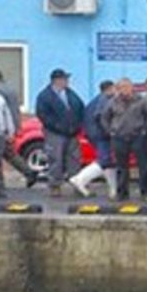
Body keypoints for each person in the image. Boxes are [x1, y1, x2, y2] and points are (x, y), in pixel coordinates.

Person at [35, 69, 85, 198]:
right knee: (55, 159)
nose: (67, 81)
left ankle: (77, 183)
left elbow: (80, 108)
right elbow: (43, 115)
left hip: (72, 132)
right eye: (64, 79)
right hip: (55, 133)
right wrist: (58, 127)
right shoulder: (45, 96)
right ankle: (55, 185)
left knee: (74, 159)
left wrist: (78, 125)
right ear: (56, 80)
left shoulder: (70, 93)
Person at [100, 79, 147, 201]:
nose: (125, 89)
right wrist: (110, 131)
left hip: (138, 136)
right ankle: (122, 193)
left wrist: (144, 130)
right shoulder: (112, 102)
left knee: (143, 165)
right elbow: (104, 118)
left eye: (127, 86)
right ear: (118, 89)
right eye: (122, 87)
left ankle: (145, 192)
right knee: (121, 167)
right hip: (119, 138)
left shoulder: (142, 101)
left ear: (132, 87)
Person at [0, 69, 38, 188]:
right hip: (11, 126)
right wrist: (16, 126)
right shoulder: (10, 89)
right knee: (8, 154)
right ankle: (28, 172)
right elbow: (15, 109)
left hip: (1, 128)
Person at [69, 81, 117, 199]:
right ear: (110, 89)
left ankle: (113, 190)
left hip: (93, 133)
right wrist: (108, 131)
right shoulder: (105, 100)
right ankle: (79, 179)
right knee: (104, 160)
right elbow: (100, 116)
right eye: (115, 88)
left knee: (109, 163)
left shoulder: (97, 99)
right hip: (100, 135)